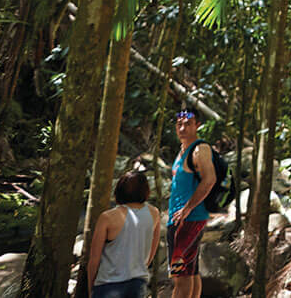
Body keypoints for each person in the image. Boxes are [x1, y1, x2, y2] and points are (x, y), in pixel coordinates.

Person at [85, 171, 161, 298]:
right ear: (146, 190)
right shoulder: (154, 213)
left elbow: (94, 259)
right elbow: (152, 250)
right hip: (137, 283)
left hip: (108, 284)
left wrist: (91, 288)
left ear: (119, 189)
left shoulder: (108, 217)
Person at [168, 108, 217, 298]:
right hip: (184, 218)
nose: (182, 128)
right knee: (191, 272)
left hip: (188, 219)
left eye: (188, 124)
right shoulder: (183, 151)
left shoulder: (199, 149)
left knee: (181, 277)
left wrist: (187, 208)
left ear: (197, 125)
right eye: (179, 124)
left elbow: (209, 179)